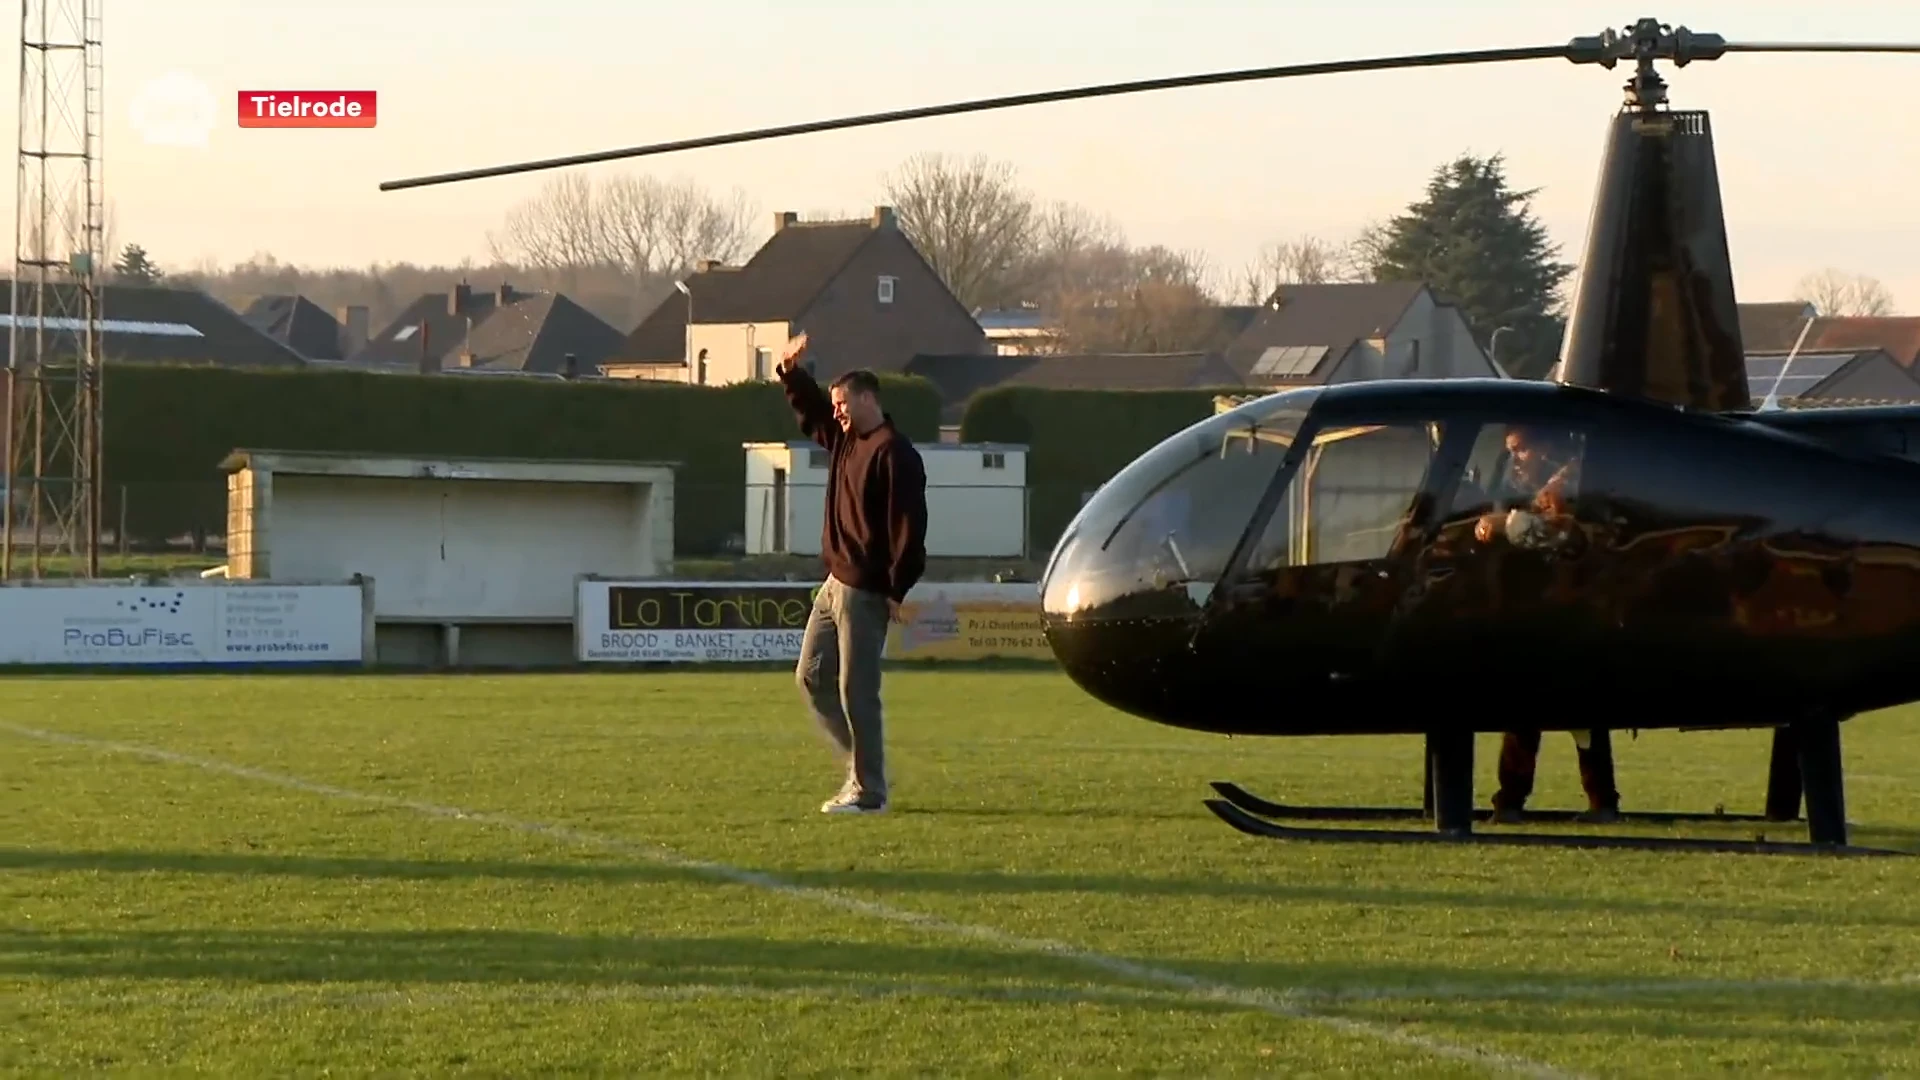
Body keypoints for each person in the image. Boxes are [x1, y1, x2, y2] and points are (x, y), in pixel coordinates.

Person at [774, 331, 928, 815]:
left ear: (867, 399)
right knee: (811, 678)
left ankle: (870, 791)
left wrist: (897, 588)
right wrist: (792, 373)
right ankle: (864, 769)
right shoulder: (843, 439)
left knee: (856, 690)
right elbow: (813, 415)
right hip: (833, 584)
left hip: (867, 590)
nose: (836, 411)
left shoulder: (894, 453)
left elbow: (909, 526)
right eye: (835, 404)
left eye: (843, 403)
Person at [1472, 424, 1621, 824]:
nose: (1516, 460)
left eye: (1522, 451)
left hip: (1567, 612)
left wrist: (1507, 523)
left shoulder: (1570, 488)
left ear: (1543, 447)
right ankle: (1515, 802)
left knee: (1576, 718)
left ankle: (1596, 802)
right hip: (1531, 613)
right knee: (1527, 718)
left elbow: (1562, 538)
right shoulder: (1527, 488)